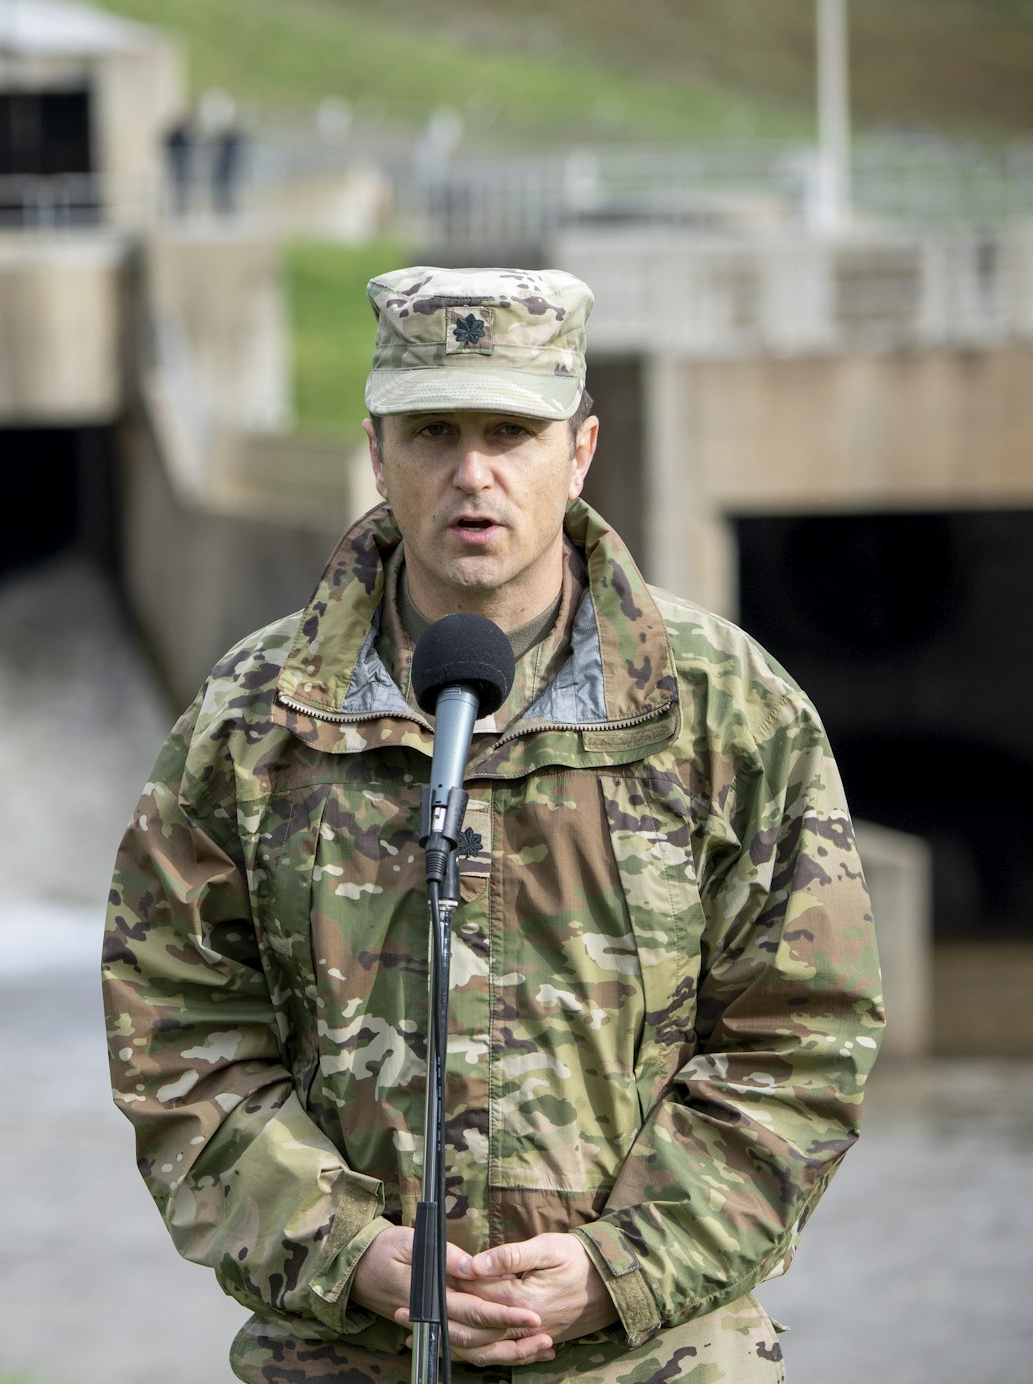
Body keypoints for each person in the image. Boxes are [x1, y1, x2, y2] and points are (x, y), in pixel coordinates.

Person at [102, 266, 882, 1382]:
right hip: (347, 1355)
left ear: (579, 451)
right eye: (432, 432)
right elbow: (175, 1031)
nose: (471, 474)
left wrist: (618, 1263)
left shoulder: (725, 713)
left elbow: (802, 1038)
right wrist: (348, 1249)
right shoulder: (252, 720)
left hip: (650, 1358)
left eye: (511, 432)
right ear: (376, 452)